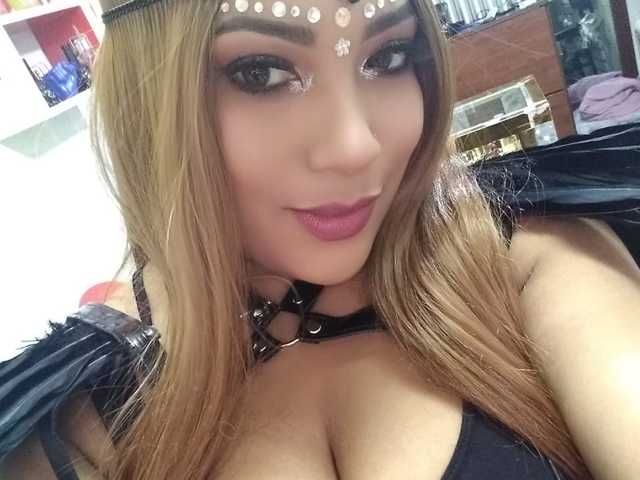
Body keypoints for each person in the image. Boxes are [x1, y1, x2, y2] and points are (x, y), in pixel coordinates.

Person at [1, 0, 639, 478]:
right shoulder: (84, 419)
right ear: (149, 100)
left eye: (386, 57)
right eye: (260, 72)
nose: (356, 146)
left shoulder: (529, 259)